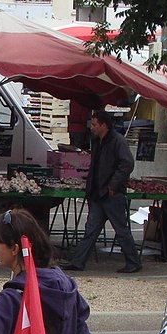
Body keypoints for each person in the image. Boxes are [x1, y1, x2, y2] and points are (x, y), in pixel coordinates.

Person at [62, 110, 142, 273]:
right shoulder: (97, 141)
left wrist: (113, 185)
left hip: (111, 193)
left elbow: (127, 163)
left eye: (95, 124)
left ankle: (133, 262)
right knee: (91, 230)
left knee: (121, 229)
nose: (92, 127)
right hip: (99, 193)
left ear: (104, 125)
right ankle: (78, 262)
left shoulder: (117, 141)